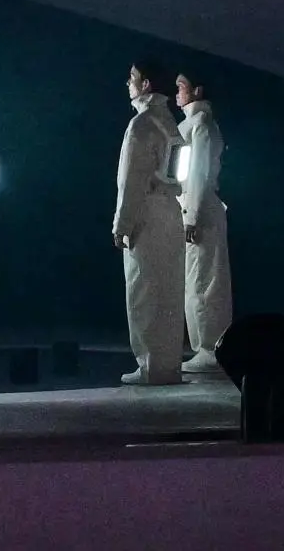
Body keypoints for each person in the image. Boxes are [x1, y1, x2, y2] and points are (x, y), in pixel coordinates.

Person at [115, 59, 188, 385]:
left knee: (143, 290)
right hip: (171, 210)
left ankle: (149, 367)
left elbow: (130, 181)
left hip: (147, 211)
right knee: (170, 292)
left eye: (132, 77)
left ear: (145, 85)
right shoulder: (169, 121)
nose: (127, 83)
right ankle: (168, 364)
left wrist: (122, 224)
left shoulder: (142, 125)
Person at [177, 71, 233, 372]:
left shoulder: (202, 126)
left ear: (197, 90)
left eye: (181, 86)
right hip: (192, 207)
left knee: (204, 281)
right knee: (196, 280)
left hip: (199, 210)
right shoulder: (193, 125)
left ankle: (210, 349)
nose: (176, 91)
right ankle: (205, 347)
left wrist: (192, 217)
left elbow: (197, 174)